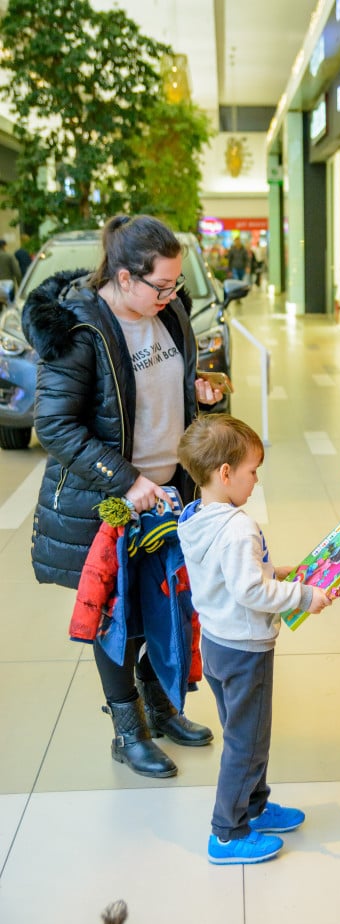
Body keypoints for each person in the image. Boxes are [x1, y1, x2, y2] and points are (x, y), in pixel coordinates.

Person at [21, 214, 226, 779]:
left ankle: (160, 708)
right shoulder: (79, 329)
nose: (171, 295)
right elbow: (56, 426)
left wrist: (198, 394)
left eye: (176, 284)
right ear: (123, 276)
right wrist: (129, 482)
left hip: (169, 494)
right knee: (120, 617)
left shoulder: (171, 311)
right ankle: (127, 731)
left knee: (168, 604)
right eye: (160, 285)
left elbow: (164, 391)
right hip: (111, 500)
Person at [177, 413, 333, 864]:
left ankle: (255, 805)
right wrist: (303, 596)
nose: (256, 481)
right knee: (247, 742)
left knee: (243, 733)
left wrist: (272, 570)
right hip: (246, 651)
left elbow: (230, 577)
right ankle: (227, 833)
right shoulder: (239, 526)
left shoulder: (197, 517)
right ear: (225, 474)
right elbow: (249, 590)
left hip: (217, 644)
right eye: (252, 471)